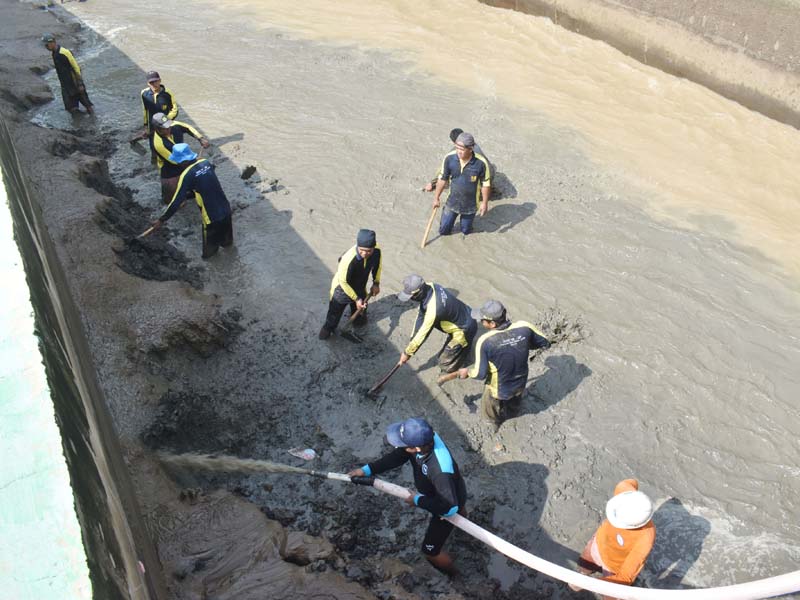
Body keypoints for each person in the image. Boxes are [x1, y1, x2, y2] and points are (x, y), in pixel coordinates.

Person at [347, 417, 467, 576]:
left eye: (403, 444)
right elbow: (398, 456)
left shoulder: (440, 470)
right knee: (459, 507)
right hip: (451, 489)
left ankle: (455, 576)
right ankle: (464, 525)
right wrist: (367, 470)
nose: (399, 446)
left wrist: (417, 500)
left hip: (444, 504)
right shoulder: (425, 438)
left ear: (416, 448)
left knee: (430, 551)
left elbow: (449, 507)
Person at [456, 300, 550, 427]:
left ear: (492, 323)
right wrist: (521, 343)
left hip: (498, 387)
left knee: (490, 409)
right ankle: (513, 414)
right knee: (514, 403)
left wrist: (467, 372)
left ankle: (492, 424)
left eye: (483, 320)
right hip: (520, 382)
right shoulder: (524, 326)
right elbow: (545, 342)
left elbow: (480, 374)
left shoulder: (484, 341)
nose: (480, 322)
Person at [569, 479, 656, 598]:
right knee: (586, 561)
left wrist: (595, 585)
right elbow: (630, 482)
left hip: (614, 566)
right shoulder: (624, 493)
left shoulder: (645, 538)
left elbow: (625, 576)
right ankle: (583, 572)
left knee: (612, 593)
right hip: (598, 544)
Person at [150, 143, 232, 259]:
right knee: (228, 245)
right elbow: (205, 182)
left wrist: (161, 220)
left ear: (182, 161)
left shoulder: (186, 175)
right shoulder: (206, 163)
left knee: (209, 255)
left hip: (211, 218)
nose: (177, 163)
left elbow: (176, 202)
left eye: (178, 161)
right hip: (226, 211)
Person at [397, 274, 477, 373]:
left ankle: (464, 352)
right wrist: (412, 342)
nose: (411, 299)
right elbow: (420, 317)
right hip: (465, 314)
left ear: (419, 293)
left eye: (411, 296)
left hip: (465, 328)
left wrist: (407, 353)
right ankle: (461, 345)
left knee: (444, 364)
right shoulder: (431, 286)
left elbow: (423, 333)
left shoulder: (434, 310)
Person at [319, 229, 382, 340]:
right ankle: (328, 329)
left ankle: (358, 324)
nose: (364, 254)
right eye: (362, 250)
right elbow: (343, 281)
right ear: (358, 246)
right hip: (341, 290)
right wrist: (356, 298)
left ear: (373, 247)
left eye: (368, 251)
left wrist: (376, 283)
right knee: (334, 314)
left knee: (361, 311)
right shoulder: (348, 259)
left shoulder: (377, 251)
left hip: (360, 286)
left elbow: (377, 266)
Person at [432, 132, 491, 236]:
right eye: (457, 148)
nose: (458, 152)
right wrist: (436, 198)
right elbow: (442, 179)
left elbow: (485, 184)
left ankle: (468, 227)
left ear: (471, 148)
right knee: (443, 231)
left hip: (470, 204)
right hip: (452, 202)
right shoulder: (449, 158)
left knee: (466, 231)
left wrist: (485, 203)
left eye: (462, 149)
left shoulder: (481, 163)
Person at [150, 112, 210, 203]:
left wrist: (200, 138)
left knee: (194, 184)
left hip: (185, 159)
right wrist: (194, 161)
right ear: (157, 129)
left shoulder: (174, 125)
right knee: (170, 199)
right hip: (169, 167)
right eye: (165, 129)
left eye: (169, 126)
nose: (169, 129)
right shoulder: (158, 144)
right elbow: (173, 161)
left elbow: (188, 127)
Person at [423, 128, 491, 192]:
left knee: (445, 167)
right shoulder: (474, 145)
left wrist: (432, 183)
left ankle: (433, 184)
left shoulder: (455, 153)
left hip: (473, 188)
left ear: (454, 141)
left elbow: (444, 170)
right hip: (488, 178)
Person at [42, 33, 94, 115]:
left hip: (74, 83)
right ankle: (79, 123)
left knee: (87, 104)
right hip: (65, 85)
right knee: (70, 108)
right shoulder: (54, 53)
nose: (45, 47)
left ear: (52, 43)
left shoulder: (64, 52)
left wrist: (80, 83)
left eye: (46, 45)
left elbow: (76, 67)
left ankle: (92, 120)